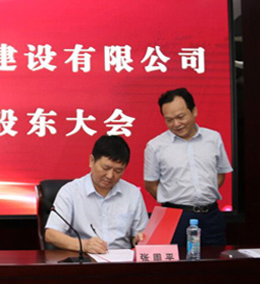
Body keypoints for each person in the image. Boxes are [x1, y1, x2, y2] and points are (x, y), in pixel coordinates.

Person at [144, 87, 233, 246]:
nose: (176, 124)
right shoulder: (155, 146)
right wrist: (175, 199)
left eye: (180, 117)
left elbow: (220, 174)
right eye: (169, 120)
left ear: (194, 111)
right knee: (178, 261)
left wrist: (202, 194)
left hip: (211, 216)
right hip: (175, 218)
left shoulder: (213, 138)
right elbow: (151, 184)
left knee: (215, 258)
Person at [45, 135, 148, 254]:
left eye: (118, 171)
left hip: (123, 260)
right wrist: (84, 245)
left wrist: (139, 239)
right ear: (91, 161)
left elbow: (138, 235)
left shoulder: (133, 193)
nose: (110, 176)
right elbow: (51, 234)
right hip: (84, 258)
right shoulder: (70, 191)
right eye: (106, 168)